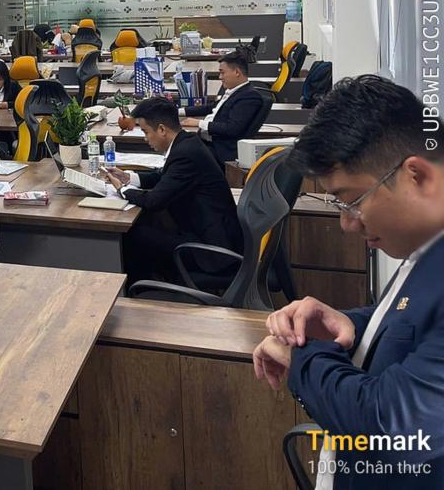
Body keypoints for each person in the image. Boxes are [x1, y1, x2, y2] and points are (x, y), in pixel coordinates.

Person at [251, 76, 444, 490]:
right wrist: (351, 322)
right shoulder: (427, 246)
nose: (347, 223)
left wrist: (302, 357)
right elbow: (421, 319)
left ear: (417, 176)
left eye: (352, 200)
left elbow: (391, 426)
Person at [103, 97, 242, 285]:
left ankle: (142, 293)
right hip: (208, 233)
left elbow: (153, 201)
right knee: (149, 225)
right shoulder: (187, 142)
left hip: (212, 252)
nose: (145, 138)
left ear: (161, 129)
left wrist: (122, 189)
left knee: (134, 236)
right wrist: (128, 177)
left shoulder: (185, 154)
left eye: (145, 132)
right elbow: (164, 177)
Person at [180, 50, 265, 165]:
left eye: (222, 73)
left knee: (178, 150)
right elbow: (212, 107)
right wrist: (180, 111)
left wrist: (199, 123)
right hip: (208, 143)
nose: (220, 77)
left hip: (219, 151)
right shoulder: (234, 91)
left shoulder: (249, 96)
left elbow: (232, 129)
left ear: (237, 72)